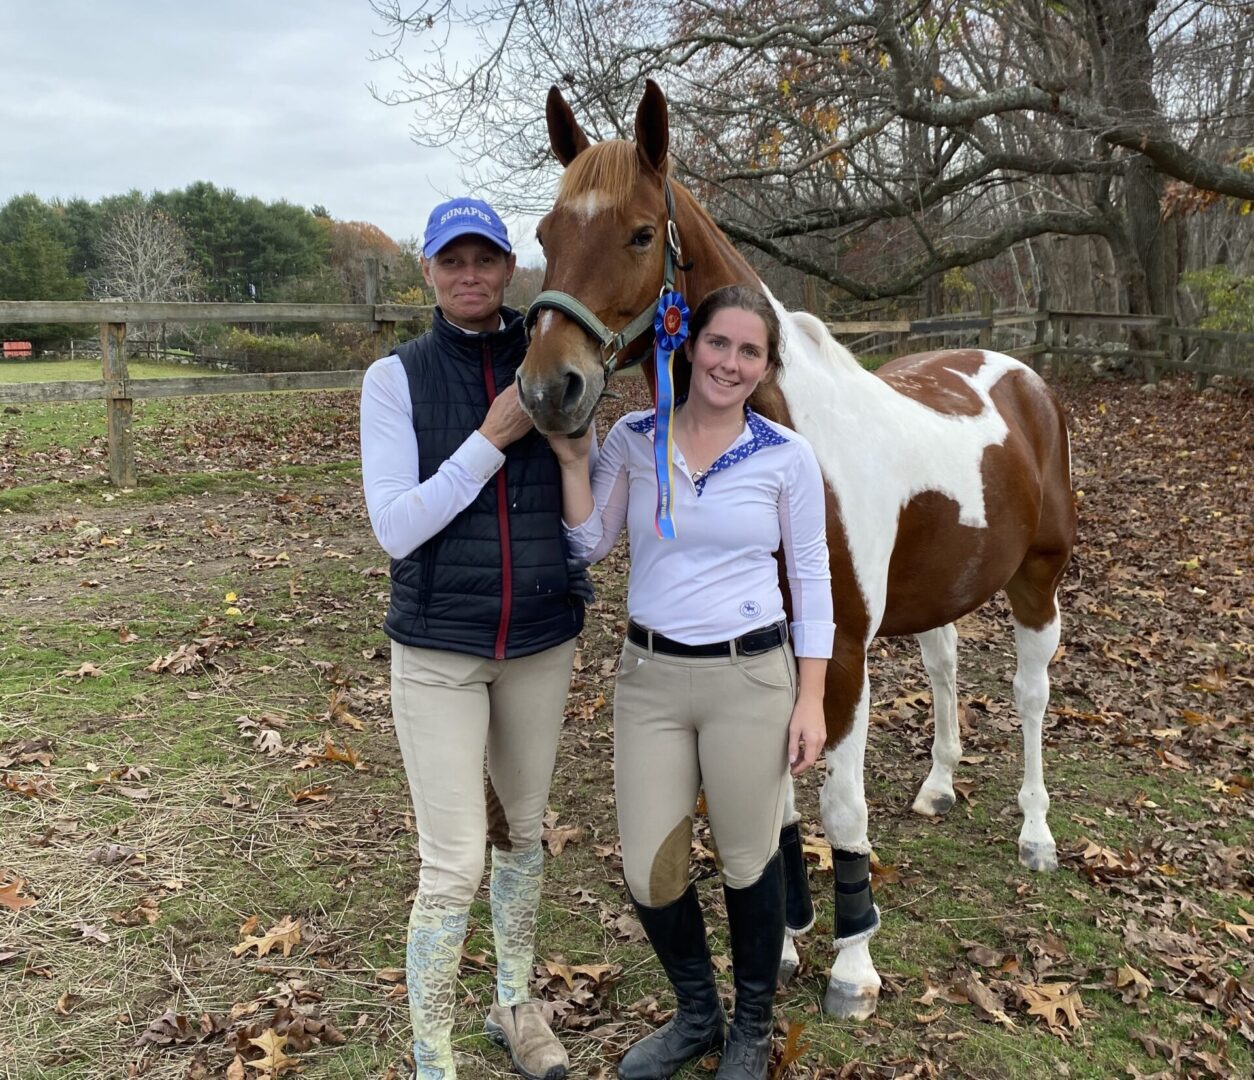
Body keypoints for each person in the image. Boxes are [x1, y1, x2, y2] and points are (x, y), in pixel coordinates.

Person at [550, 285, 833, 1080]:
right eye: (719, 344)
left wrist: (810, 695)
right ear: (687, 343)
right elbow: (590, 545)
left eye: (750, 352)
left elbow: (810, 578)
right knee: (649, 867)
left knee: (747, 860)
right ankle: (697, 1012)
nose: (731, 364)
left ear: (767, 365)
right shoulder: (637, 440)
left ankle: (750, 1025)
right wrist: (577, 457)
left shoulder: (786, 456)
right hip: (651, 679)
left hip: (751, 678)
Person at [361, 196, 588, 1080]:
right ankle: (431, 1057)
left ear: (508, 269)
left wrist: (573, 455)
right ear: (427, 272)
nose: (468, 275)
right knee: (452, 864)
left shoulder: (551, 366)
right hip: (438, 653)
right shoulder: (397, 379)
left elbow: (584, 528)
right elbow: (396, 526)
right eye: (450, 261)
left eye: (483, 259)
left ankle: (514, 1006)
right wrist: (492, 439)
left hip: (539, 641)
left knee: (524, 836)